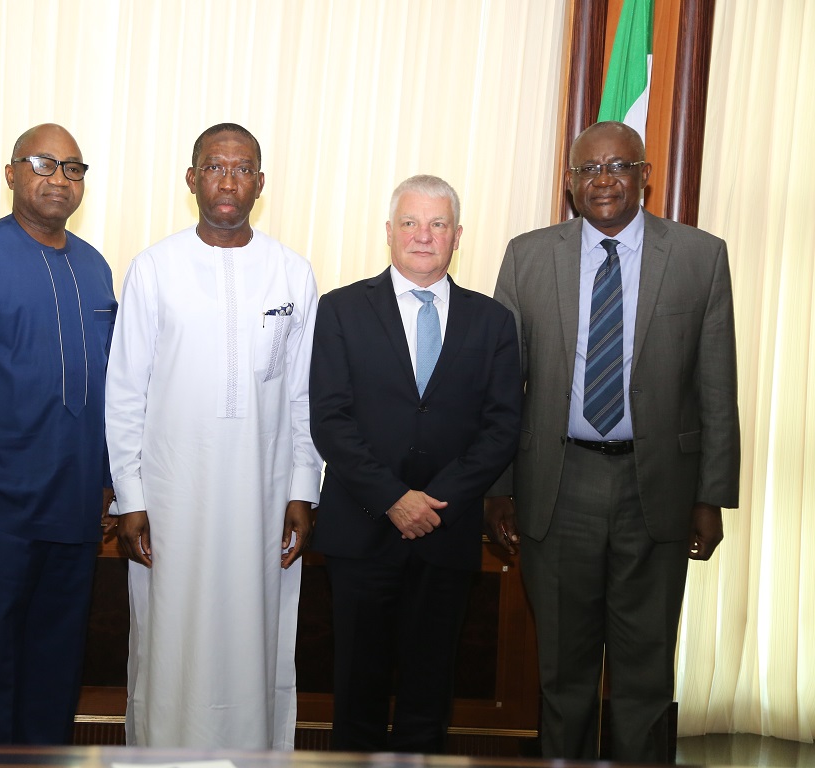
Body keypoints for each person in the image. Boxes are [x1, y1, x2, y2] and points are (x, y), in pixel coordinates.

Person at [485, 121, 739, 762]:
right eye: (588, 169)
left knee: (645, 673)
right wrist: (498, 486)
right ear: (569, 182)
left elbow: (716, 385)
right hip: (556, 486)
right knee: (562, 674)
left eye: (619, 166)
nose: (603, 180)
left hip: (657, 489)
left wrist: (710, 496)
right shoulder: (527, 256)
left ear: (644, 175)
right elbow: (500, 386)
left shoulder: (699, 256)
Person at [105, 123, 322, 749]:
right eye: (215, 167)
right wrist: (131, 497)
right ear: (192, 178)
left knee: (258, 635)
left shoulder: (291, 273)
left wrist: (303, 488)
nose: (229, 180)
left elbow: (304, 393)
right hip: (173, 496)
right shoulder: (154, 269)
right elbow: (125, 393)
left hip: (263, 493)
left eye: (243, 168)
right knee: (169, 638)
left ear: (260, 182)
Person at [309, 175, 521, 753]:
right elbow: (329, 419)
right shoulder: (341, 310)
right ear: (389, 231)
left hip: (446, 533)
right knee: (358, 690)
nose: (423, 236)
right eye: (410, 223)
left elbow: (502, 426)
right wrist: (394, 499)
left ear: (457, 235)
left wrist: (434, 504)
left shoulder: (493, 322)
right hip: (362, 529)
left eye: (437, 224)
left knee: (430, 692)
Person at [0, 123, 116, 745]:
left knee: (59, 661)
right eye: (44, 164)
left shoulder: (95, 266)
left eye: (73, 168)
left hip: (76, 499)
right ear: (11, 173)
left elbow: (111, 384)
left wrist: (108, 478)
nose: (60, 178)